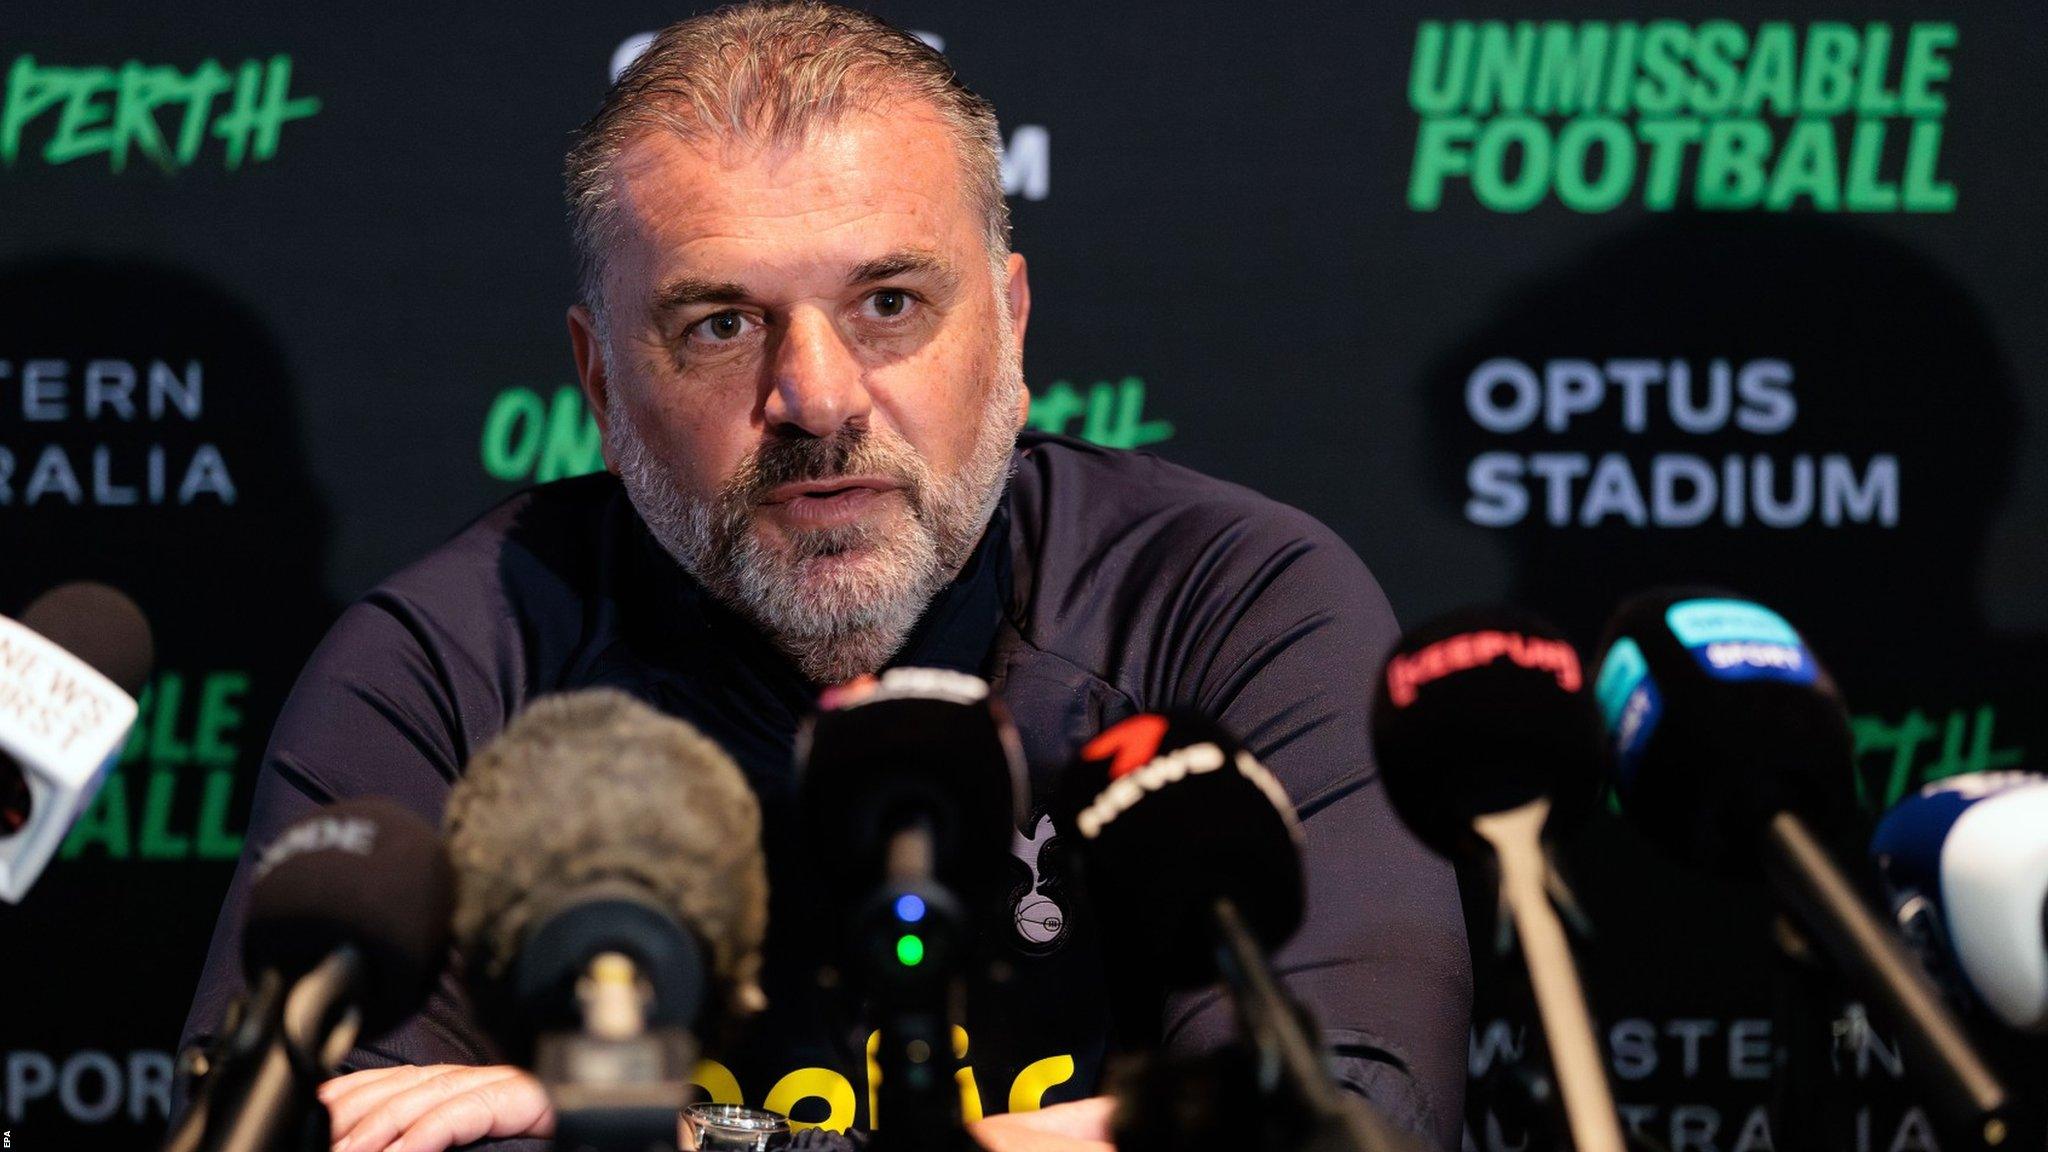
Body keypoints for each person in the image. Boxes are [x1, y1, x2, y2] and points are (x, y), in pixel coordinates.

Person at [177, 4, 1471, 1150]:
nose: (816, 398)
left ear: (1012, 328)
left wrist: (646, 1132)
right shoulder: (454, 666)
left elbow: (1347, 1112)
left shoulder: (1229, 605)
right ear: (597, 379)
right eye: (722, 324)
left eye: (890, 303)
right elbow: (303, 1125)